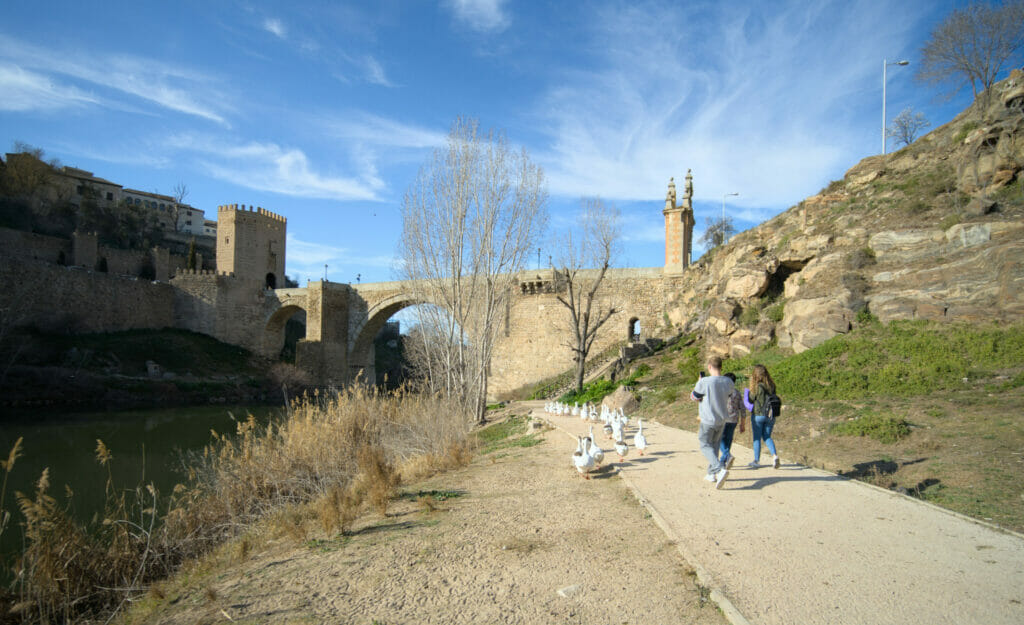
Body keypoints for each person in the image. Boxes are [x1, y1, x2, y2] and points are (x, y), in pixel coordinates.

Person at [690, 355, 734, 489]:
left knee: (704, 444)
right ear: (721, 367)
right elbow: (729, 395)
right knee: (714, 446)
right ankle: (711, 474)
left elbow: (693, 397)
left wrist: (699, 383)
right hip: (721, 419)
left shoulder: (704, 382)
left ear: (709, 367)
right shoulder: (728, 382)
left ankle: (719, 469)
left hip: (708, 419)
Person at [743, 364, 780, 469]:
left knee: (757, 438)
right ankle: (774, 455)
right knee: (767, 436)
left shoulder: (757, 386)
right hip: (770, 415)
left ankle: (756, 460)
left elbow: (751, 399)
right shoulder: (772, 385)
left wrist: (748, 391)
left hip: (758, 415)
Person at [719, 372, 744, 470]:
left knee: (719, 439)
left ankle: (727, 455)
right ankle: (722, 462)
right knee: (728, 440)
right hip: (734, 419)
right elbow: (742, 408)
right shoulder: (737, 392)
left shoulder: (721, 392)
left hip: (723, 419)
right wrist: (742, 423)